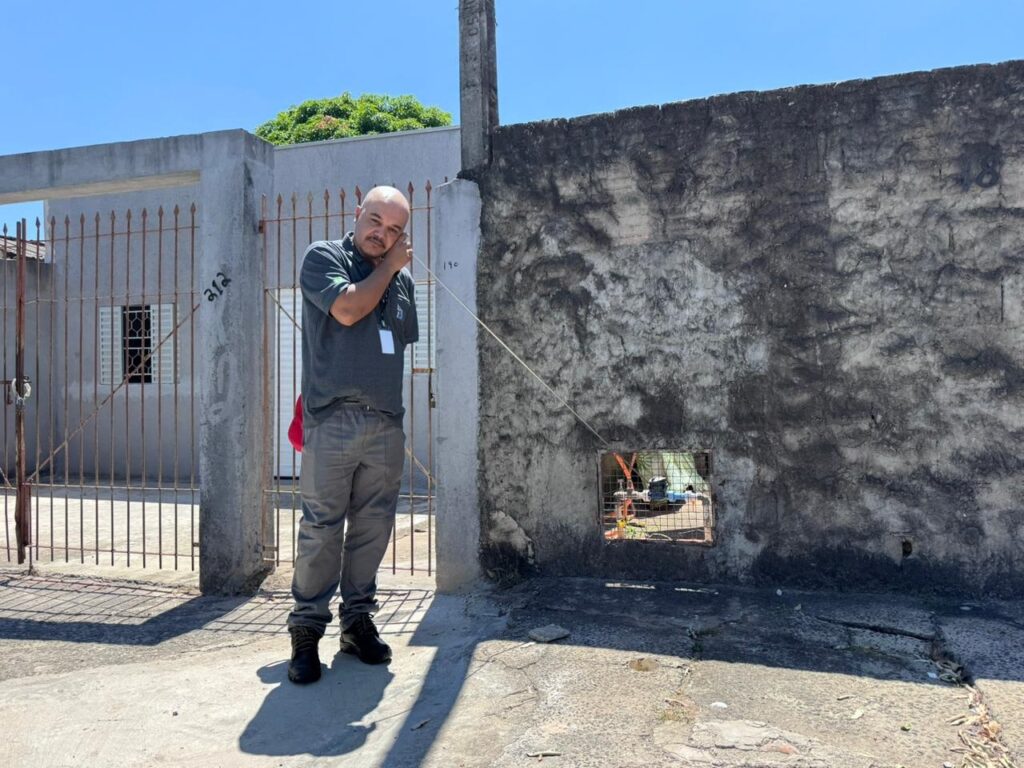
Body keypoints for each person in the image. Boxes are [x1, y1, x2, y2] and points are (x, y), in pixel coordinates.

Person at [286, 185, 418, 685]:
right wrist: (390, 270)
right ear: (357, 213)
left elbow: (399, 337)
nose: (381, 235)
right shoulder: (323, 258)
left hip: (385, 421)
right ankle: (305, 631)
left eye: (394, 232)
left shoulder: (399, 282)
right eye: (376, 221)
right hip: (333, 417)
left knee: (373, 526)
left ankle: (357, 620)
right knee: (322, 527)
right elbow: (347, 310)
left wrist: (392, 278)